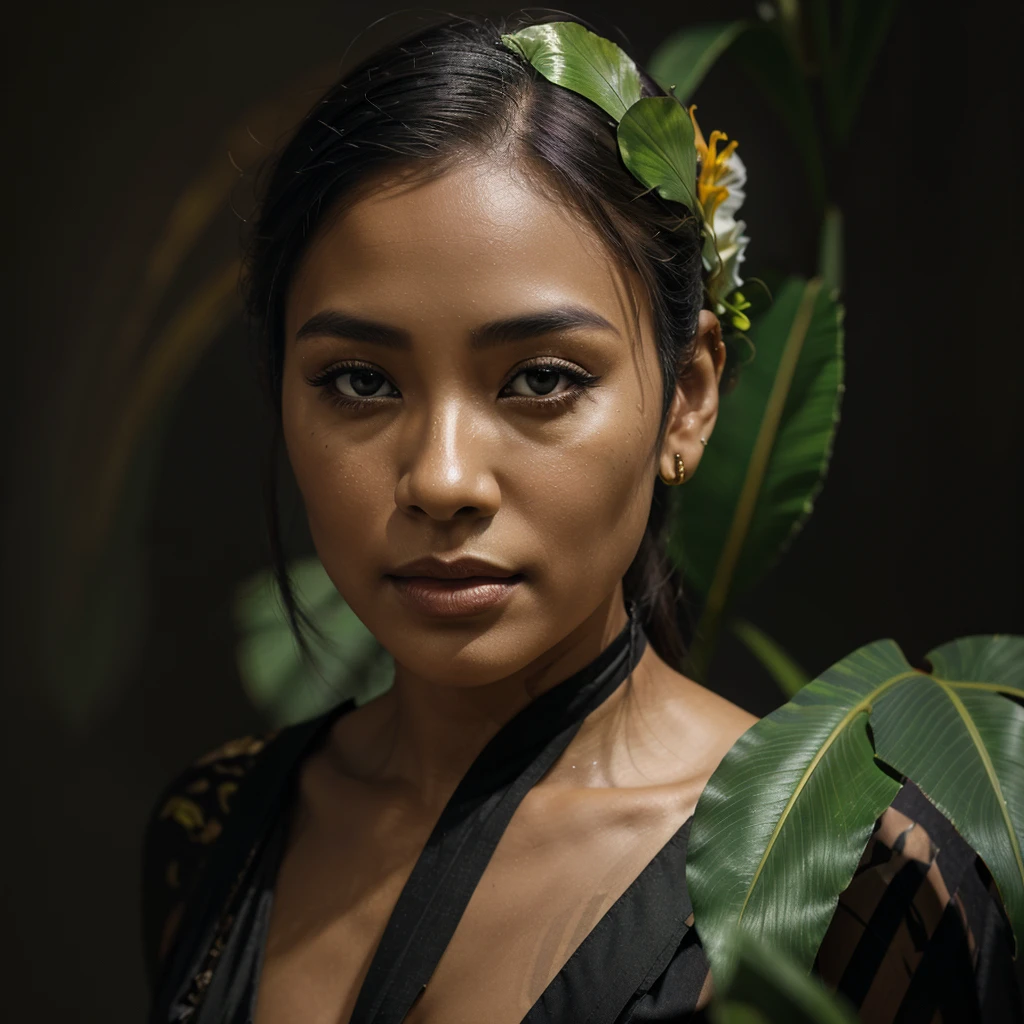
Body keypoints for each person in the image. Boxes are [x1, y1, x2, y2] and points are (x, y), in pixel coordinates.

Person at [140, 13, 1022, 1024]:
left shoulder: (852, 885)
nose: (442, 477)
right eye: (359, 381)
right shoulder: (213, 833)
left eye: (540, 379)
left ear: (685, 395)